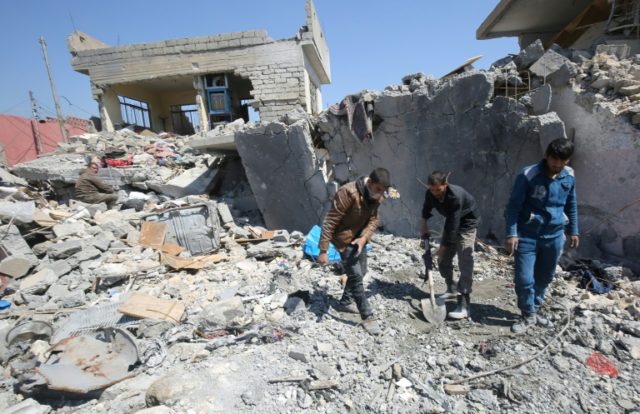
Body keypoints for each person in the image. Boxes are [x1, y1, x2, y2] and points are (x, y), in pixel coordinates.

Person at [505, 138, 579, 334]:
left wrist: (574, 230)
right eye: (554, 159)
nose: (557, 164)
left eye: (562, 161)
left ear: (568, 161)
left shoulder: (569, 176)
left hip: (554, 236)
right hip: (527, 235)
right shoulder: (529, 174)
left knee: (545, 277)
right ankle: (527, 313)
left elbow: (571, 204)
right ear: (546, 156)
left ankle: (534, 310)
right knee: (524, 278)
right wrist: (511, 233)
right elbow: (513, 206)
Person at [318, 168, 391, 334]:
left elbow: (374, 220)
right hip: (343, 238)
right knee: (356, 275)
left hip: (359, 237)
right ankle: (367, 316)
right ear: (370, 183)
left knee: (362, 271)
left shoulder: (377, 196)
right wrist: (323, 250)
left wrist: (364, 238)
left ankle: (344, 302)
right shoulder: (348, 192)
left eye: (383, 191)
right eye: (379, 189)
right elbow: (330, 222)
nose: (381, 194)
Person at [420, 171, 480, 319]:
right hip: (452, 222)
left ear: (445, 184)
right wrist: (424, 224)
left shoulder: (455, 196)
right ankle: (451, 288)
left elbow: (453, 227)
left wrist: (443, 248)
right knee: (443, 260)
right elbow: (426, 208)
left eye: (438, 190)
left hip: (467, 224)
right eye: (432, 190)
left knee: (465, 260)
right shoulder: (431, 193)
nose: (435, 193)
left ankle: (464, 303)